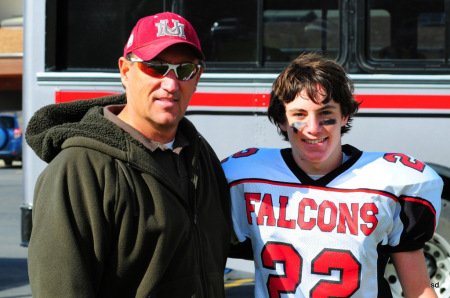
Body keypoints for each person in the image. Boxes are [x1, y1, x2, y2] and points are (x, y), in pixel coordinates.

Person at [25, 12, 231, 297]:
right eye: (156, 67)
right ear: (125, 71)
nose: (171, 84)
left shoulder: (201, 156)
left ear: (197, 78)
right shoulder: (78, 170)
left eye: (184, 70)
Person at [222, 52, 443, 297]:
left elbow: (419, 289)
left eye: (326, 114)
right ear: (282, 121)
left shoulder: (389, 182)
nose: (313, 128)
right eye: (299, 114)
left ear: (344, 115)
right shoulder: (245, 178)